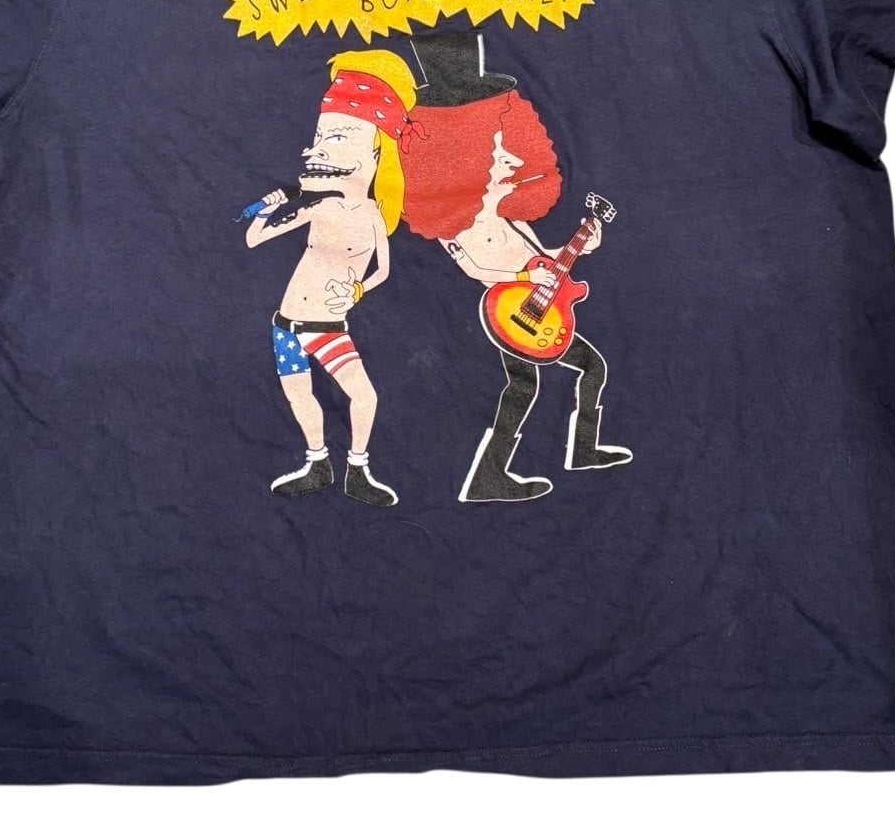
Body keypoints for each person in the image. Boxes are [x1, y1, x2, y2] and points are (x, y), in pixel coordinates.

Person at [400, 28, 632, 502]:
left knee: (579, 371)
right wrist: (526, 277)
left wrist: (581, 244)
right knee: (525, 385)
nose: (509, 160)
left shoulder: (508, 216)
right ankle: (491, 476)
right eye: (496, 151)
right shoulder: (460, 221)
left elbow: (540, 260)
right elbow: (474, 267)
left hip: (538, 310)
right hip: (509, 312)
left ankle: (576, 451)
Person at [244, 49, 423, 507]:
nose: (317, 149)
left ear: (377, 152)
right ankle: (318, 462)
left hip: (326, 328)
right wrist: (266, 208)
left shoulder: (375, 216)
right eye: (320, 137)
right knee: (300, 397)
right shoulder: (319, 206)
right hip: (286, 327)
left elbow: (383, 269)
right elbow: (254, 239)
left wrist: (358, 290)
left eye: (339, 137)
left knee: (365, 396)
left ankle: (358, 469)